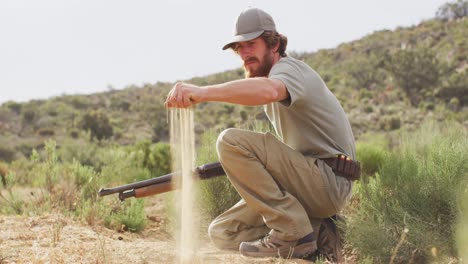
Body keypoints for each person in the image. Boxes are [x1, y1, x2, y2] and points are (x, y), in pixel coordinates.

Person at [165, 7, 358, 260]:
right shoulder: (271, 80)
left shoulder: (289, 70)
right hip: (312, 182)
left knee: (230, 142)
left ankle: (293, 233)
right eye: (238, 48)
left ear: (274, 43)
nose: (244, 54)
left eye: (251, 45)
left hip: (329, 181)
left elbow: (268, 90)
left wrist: (202, 92)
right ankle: (322, 231)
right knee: (223, 232)